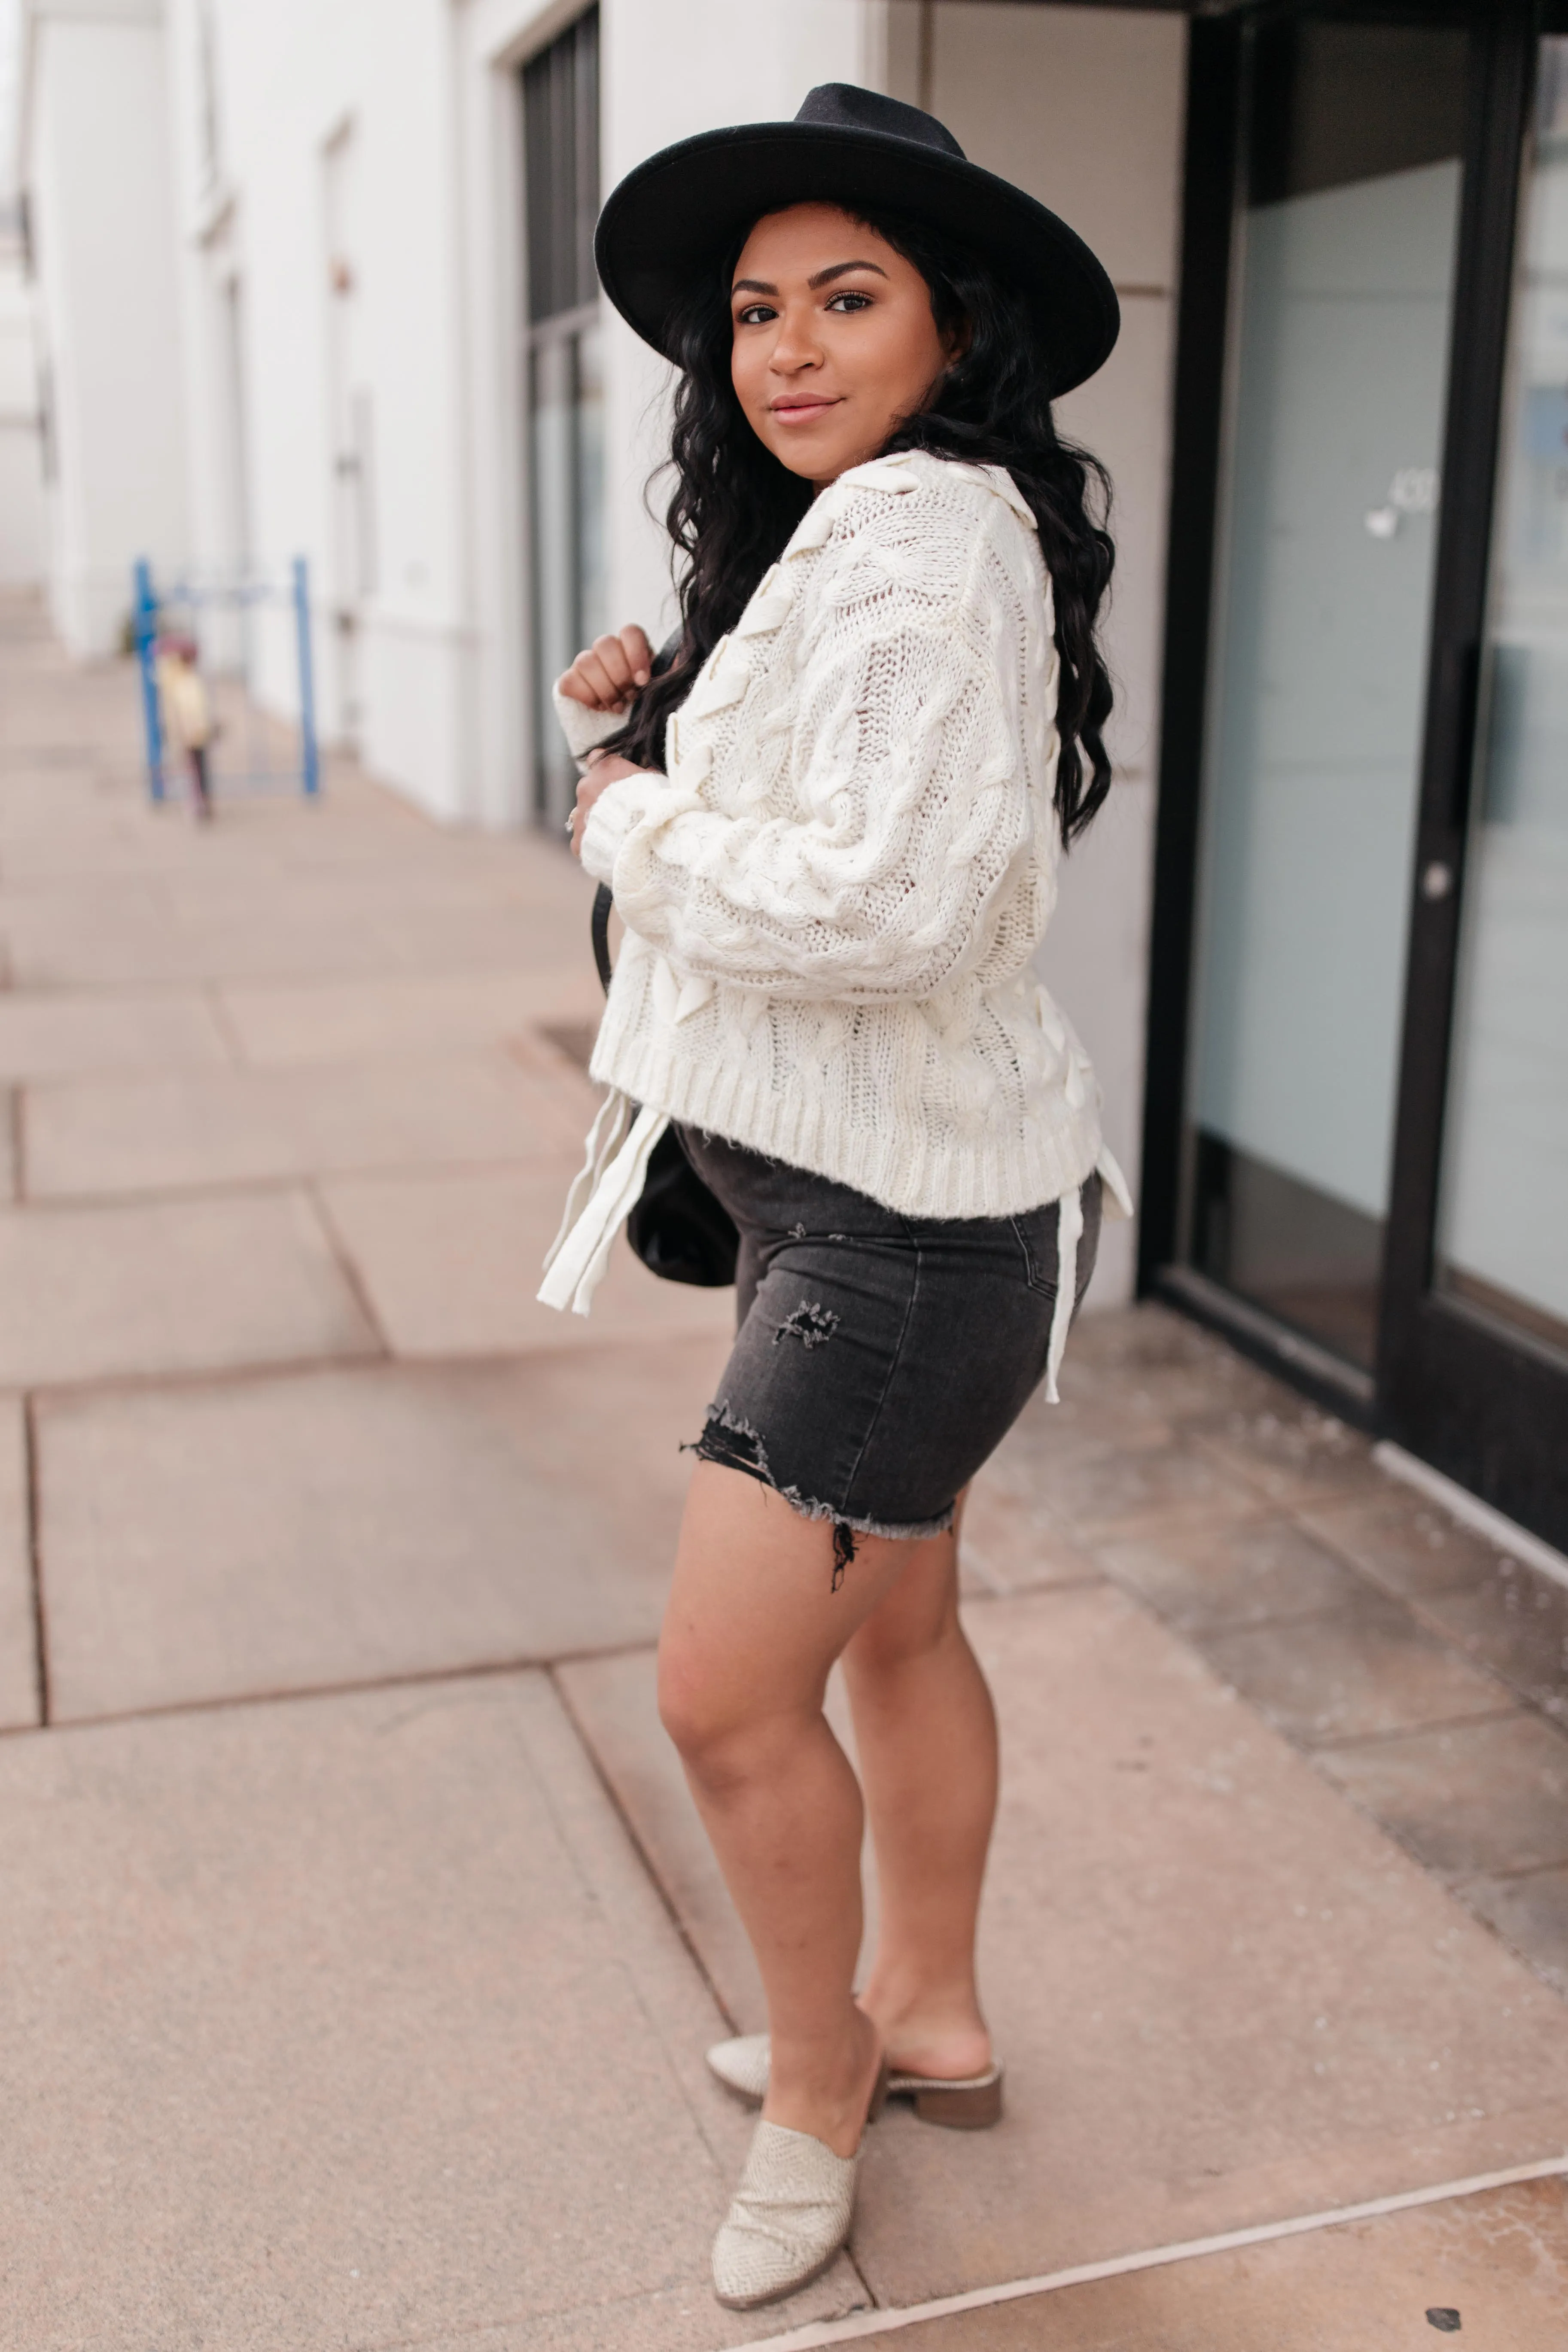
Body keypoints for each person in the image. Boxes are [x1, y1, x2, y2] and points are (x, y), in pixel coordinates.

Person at [542, 84, 1131, 2312]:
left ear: (949, 322)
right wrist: (669, 706)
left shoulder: (914, 529)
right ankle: (934, 2015)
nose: (783, 348)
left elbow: (885, 907)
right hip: (889, 1206)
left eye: (847, 300)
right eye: (756, 313)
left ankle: (820, 2093)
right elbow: (868, 806)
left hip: (890, 1247)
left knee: (721, 1695)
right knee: (895, 1630)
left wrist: (613, 810)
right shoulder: (886, 525)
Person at [153, 632, 216, 820]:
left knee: (195, 771)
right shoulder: (178, 681)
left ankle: (198, 803)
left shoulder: (186, 682)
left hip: (192, 734)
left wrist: (195, 728)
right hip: (187, 733)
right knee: (193, 770)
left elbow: (194, 709)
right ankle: (197, 801)